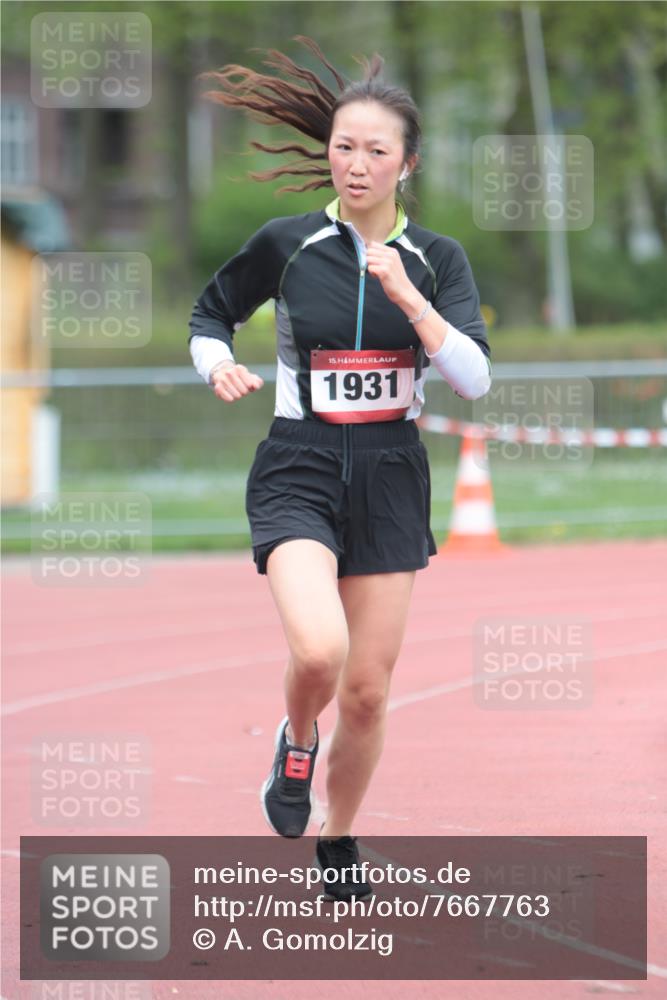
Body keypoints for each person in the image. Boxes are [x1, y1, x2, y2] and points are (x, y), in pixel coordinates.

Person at [188, 36, 491, 900]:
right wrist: (217, 364)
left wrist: (410, 299)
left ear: (407, 164)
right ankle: (292, 738)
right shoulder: (286, 242)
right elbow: (209, 315)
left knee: (365, 691)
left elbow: (472, 378)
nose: (355, 165)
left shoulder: (438, 260)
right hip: (300, 464)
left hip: (392, 470)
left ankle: (339, 835)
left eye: (375, 151)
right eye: (343, 148)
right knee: (319, 653)